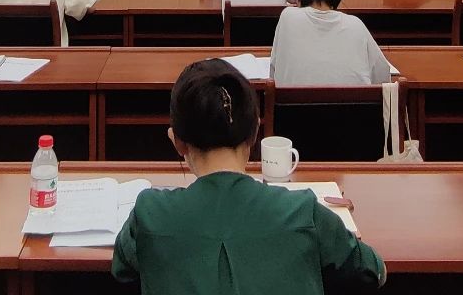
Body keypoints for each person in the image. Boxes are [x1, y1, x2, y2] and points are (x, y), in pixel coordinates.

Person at [112, 59, 385, 293]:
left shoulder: (149, 212)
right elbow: (372, 271)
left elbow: (121, 271)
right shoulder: (302, 210)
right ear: (255, 133)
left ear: (177, 142)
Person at [270, 0, 390, 85]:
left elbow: (274, 71)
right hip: (353, 98)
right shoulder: (356, 24)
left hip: (293, 98)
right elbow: (382, 75)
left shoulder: (288, 16)